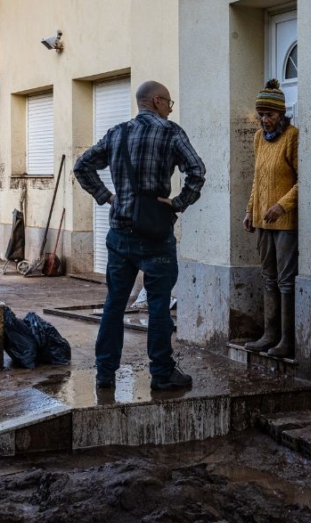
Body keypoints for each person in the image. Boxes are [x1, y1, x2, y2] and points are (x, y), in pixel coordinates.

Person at [74, 81, 206, 390]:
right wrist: (178, 202)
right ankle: (162, 373)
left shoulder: (118, 133)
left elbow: (82, 167)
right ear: (158, 101)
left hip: (120, 232)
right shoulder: (171, 132)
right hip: (156, 233)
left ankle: (105, 373)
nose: (170, 109)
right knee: (159, 305)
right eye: (169, 103)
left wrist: (107, 196)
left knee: (114, 304)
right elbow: (197, 171)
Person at [242, 79, 299, 358]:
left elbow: (304, 180)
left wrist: (282, 205)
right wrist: (250, 210)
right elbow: (258, 178)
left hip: (285, 222)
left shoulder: (293, 137)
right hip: (263, 221)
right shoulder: (257, 139)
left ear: (281, 114)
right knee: (268, 278)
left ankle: (288, 340)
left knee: (286, 281)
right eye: (261, 114)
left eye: (270, 115)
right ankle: (269, 335)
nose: (264, 120)